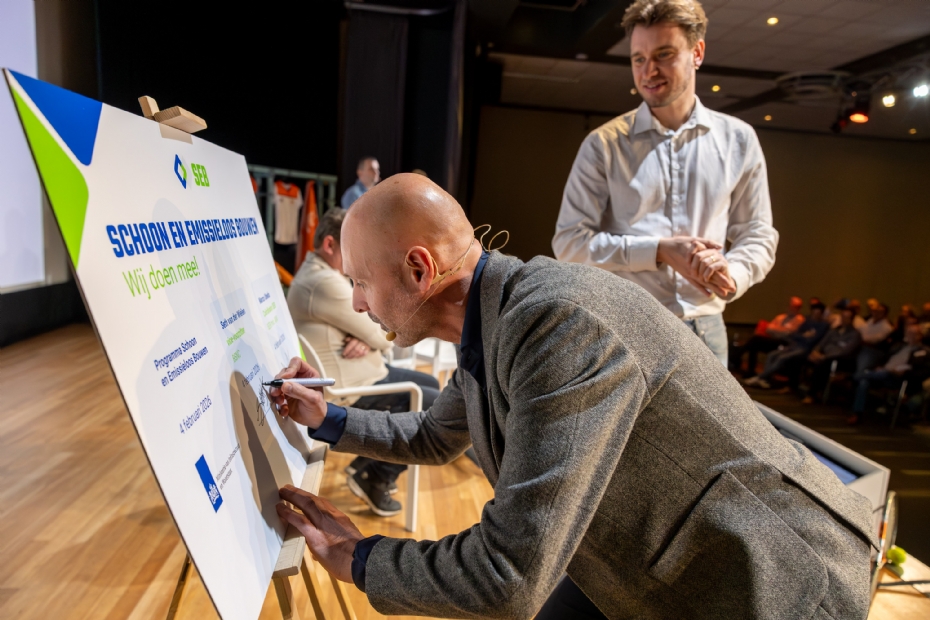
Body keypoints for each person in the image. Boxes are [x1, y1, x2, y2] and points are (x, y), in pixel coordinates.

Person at [269, 173, 873, 620]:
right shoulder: (500, 314)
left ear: (420, 270)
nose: (357, 304)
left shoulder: (556, 326)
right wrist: (325, 417)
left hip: (774, 585)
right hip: (661, 560)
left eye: (359, 282)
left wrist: (363, 560)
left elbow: (506, 574)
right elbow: (434, 434)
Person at [551, 0, 778, 366]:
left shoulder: (739, 139)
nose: (648, 70)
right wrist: (658, 249)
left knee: (709, 428)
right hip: (626, 327)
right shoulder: (604, 144)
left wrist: (732, 272)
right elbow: (569, 243)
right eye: (638, 58)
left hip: (707, 330)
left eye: (664, 54)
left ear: (697, 52)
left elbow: (758, 233)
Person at [287, 208, 440, 517]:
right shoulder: (323, 282)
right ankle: (374, 477)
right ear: (330, 244)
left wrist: (369, 337)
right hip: (348, 384)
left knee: (432, 384)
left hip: (362, 370)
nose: (361, 257)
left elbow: (375, 332)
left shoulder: (320, 274)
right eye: (353, 247)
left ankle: (367, 466)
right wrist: (371, 336)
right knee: (430, 399)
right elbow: (384, 332)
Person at [849, 324, 930, 424]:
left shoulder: (924, 351)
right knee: (863, 382)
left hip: (899, 379)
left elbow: (921, 371)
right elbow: (885, 358)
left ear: (920, 336)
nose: (910, 336)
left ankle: (853, 376)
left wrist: (904, 372)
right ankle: (857, 413)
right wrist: (880, 366)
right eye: (908, 333)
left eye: (913, 334)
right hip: (882, 374)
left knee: (882, 374)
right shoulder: (899, 346)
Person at [744, 302, 828, 390]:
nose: (814, 316)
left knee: (782, 358)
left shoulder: (823, 325)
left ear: (821, 314)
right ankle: (766, 380)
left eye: (817, 314)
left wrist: (803, 336)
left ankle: (759, 377)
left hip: (805, 349)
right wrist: (804, 336)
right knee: (772, 354)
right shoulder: (807, 321)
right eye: (813, 313)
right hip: (794, 345)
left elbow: (812, 340)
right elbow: (795, 334)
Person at [730, 296, 804, 377]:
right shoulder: (781, 317)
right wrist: (781, 331)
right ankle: (750, 371)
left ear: (798, 308)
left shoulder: (800, 320)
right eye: (791, 306)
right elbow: (769, 329)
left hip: (784, 344)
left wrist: (777, 331)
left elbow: (789, 333)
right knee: (754, 344)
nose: (791, 308)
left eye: (795, 307)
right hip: (772, 340)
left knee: (755, 340)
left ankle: (735, 357)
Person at [801, 307, 863, 404]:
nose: (844, 319)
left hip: (842, 361)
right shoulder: (834, 330)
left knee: (822, 365)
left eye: (847, 317)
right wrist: (815, 352)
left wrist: (824, 357)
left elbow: (845, 352)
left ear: (852, 319)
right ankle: (793, 387)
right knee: (802, 356)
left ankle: (812, 394)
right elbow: (822, 343)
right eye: (842, 316)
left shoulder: (855, 334)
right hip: (825, 356)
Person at [855, 302, 894, 373]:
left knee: (862, 359)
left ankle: (859, 376)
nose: (876, 313)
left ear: (884, 314)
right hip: (861, 346)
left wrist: (861, 339)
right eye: (876, 311)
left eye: (880, 312)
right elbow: (860, 330)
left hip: (873, 351)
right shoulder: (870, 321)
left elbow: (875, 340)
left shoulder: (887, 327)